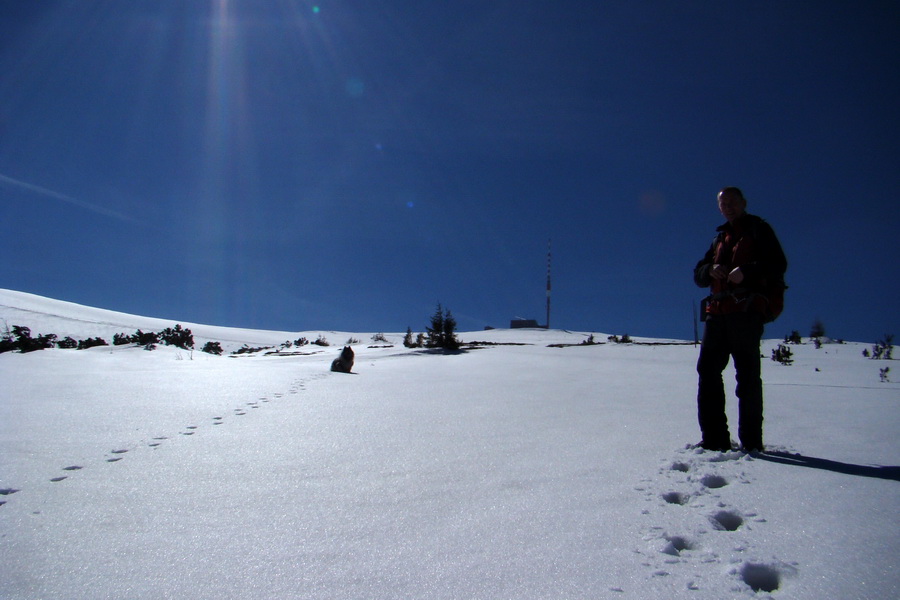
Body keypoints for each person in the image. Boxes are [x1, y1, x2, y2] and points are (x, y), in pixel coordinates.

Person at [693, 187, 787, 452]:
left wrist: (746, 272)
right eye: (723, 203)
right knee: (708, 372)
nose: (728, 206)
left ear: (744, 203)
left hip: (746, 311)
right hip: (717, 314)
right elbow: (698, 275)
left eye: (733, 202)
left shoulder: (759, 229)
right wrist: (710, 269)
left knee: (746, 376)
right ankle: (714, 439)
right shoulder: (719, 238)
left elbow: (777, 264)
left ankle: (751, 442)